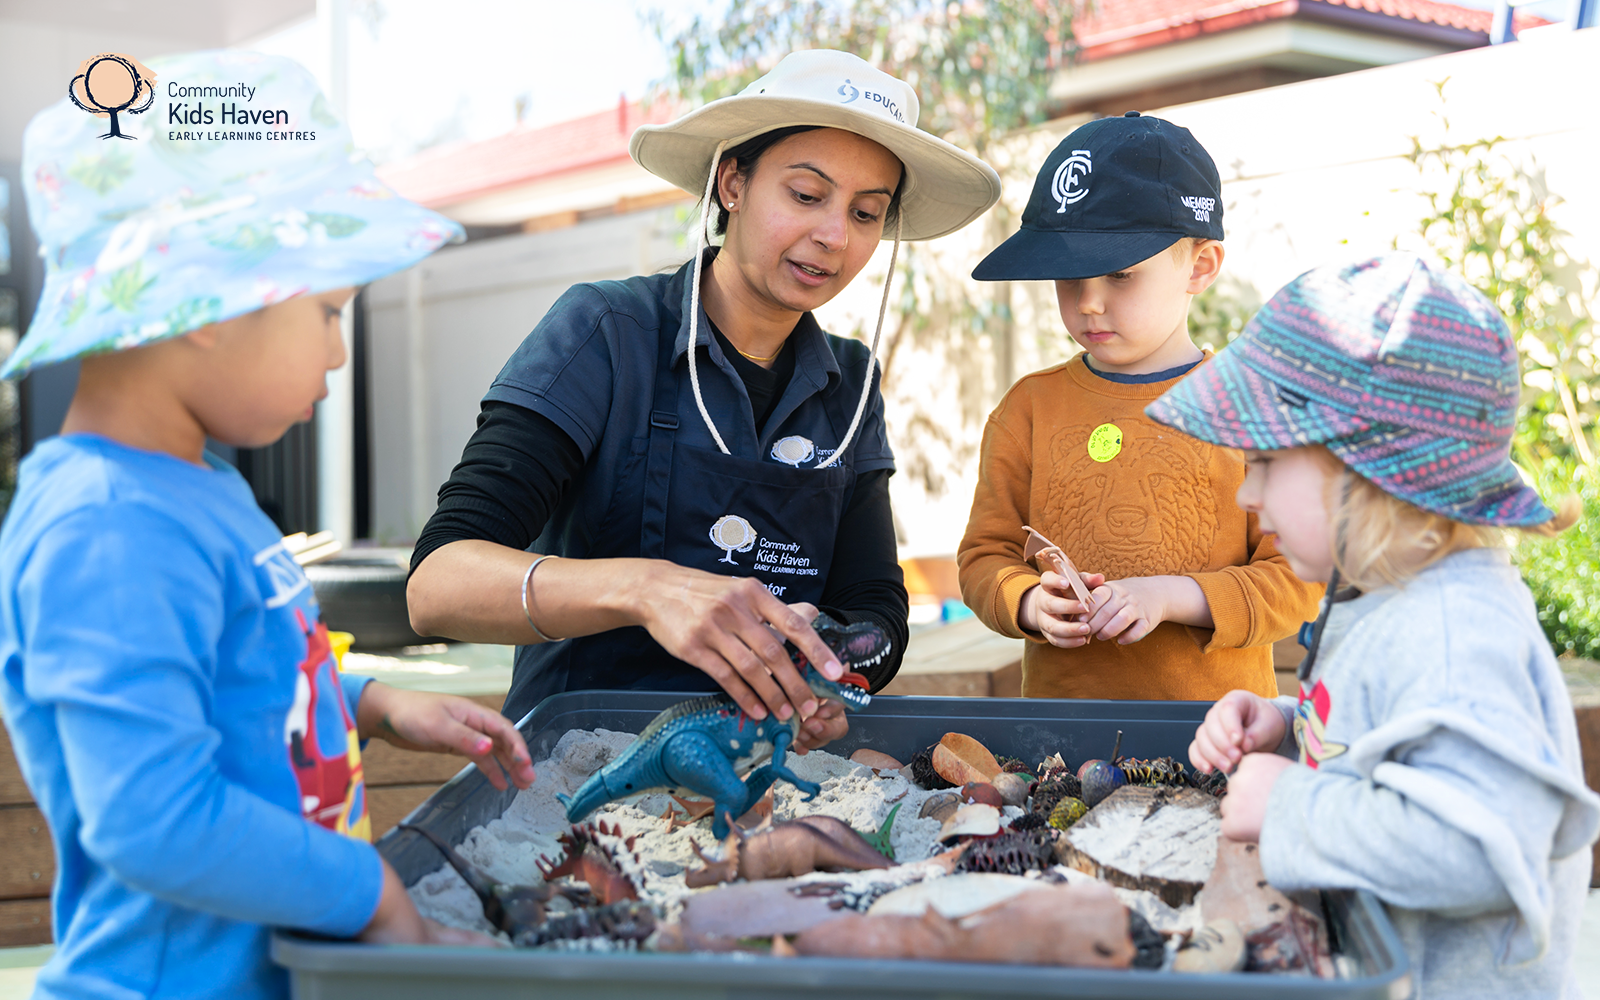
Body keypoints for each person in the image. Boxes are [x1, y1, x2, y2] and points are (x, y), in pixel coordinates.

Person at [0, 52, 534, 1000]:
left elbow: (237, 668)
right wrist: (369, 890)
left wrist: (371, 702)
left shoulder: (193, 482)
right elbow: (153, 818)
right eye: (328, 310)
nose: (337, 354)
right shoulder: (108, 528)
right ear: (206, 301)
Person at [407, 50, 1002, 732]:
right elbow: (438, 585)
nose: (834, 236)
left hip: (764, 770)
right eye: (806, 196)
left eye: (867, 214)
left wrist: (839, 665)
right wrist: (646, 589)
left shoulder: (851, 383)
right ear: (732, 183)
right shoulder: (608, 331)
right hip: (581, 767)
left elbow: (874, 608)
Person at [1152, 254, 1600, 997]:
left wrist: (1292, 807)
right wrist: (1288, 726)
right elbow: (1399, 737)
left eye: (1264, 462)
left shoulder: (1457, 630)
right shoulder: (1389, 593)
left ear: (1372, 471)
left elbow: (1483, 848)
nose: (1248, 496)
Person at [956, 113, 1323, 700]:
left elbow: (1300, 576)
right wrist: (1027, 602)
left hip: (1216, 741)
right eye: (1069, 277)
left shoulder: (1258, 407)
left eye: (1120, 275)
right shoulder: (1028, 409)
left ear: (1199, 267)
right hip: (1060, 748)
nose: (1089, 303)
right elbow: (985, 555)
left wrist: (1173, 596)